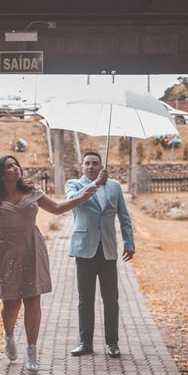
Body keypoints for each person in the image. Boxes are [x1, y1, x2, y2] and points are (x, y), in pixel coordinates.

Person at [0, 155, 96, 374]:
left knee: (33, 300)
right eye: (9, 166)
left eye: (16, 164)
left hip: (32, 249)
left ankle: (32, 352)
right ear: (0, 173)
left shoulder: (32, 191)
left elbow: (57, 208)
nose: (16, 168)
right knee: (11, 304)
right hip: (6, 253)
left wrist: (84, 196)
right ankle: (9, 335)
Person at [65, 151, 135, 358]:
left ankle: (112, 343)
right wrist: (95, 183)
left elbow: (124, 215)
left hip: (107, 250)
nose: (91, 166)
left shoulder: (114, 186)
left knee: (111, 298)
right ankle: (85, 342)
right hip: (84, 249)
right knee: (85, 299)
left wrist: (129, 242)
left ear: (101, 164)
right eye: (87, 163)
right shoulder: (74, 185)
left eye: (95, 163)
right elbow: (73, 200)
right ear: (81, 166)